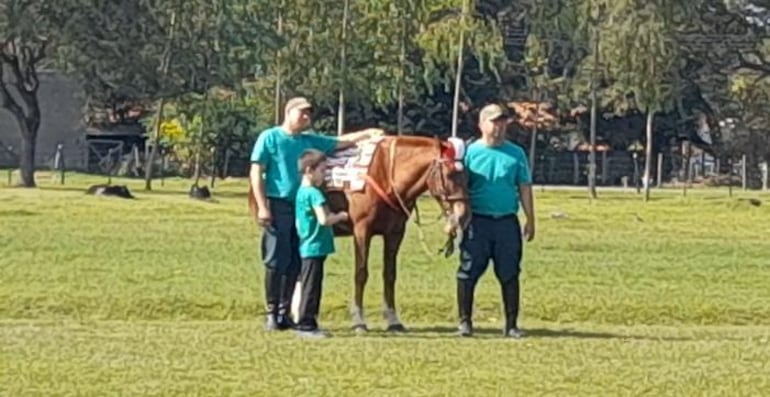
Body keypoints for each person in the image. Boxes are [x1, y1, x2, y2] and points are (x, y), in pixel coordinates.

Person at [250, 96, 367, 331]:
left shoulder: (309, 141)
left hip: (301, 207)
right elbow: (256, 171)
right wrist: (262, 206)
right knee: (275, 260)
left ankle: (286, 312)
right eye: (302, 112)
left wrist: (367, 135)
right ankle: (272, 312)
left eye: (308, 113)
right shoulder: (270, 137)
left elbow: (340, 142)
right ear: (288, 112)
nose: (306, 117)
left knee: (296, 259)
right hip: (278, 203)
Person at [456, 103, 536, 338]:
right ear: (481, 125)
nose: (499, 127)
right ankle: (465, 322)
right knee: (468, 271)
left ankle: (511, 325)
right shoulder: (469, 153)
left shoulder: (516, 153)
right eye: (494, 121)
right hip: (477, 222)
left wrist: (530, 218)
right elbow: (458, 189)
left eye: (502, 122)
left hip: (506, 222)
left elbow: (524, 186)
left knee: (510, 272)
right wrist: (455, 218)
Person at [293, 149, 348, 338]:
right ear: (310, 170)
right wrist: (341, 216)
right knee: (311, 287)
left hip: (306, 245)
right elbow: (324, 219)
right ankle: (306, 324)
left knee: (310, 284)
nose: (324, 175)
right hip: (314, 246)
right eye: (322, 171)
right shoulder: (315, 194)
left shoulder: (301, 192)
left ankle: (309, 322)